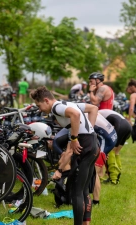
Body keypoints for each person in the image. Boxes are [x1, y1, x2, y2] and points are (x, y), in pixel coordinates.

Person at [31, 86, 99, 225]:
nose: (39, 109)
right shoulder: (68, 103)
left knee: (77, 192)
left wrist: (75, 138)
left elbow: (75, 114)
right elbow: (93, 109)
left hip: (85, 146)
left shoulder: (56, 107)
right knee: (84, 190)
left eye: (39, 105)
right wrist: (89, 131)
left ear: (46, 100)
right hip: (92, 143)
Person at [52, 112, 117, 206]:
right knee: (91, 169)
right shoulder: (75, 114)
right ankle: (94, 201)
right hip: (109, 135)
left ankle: (95, 201)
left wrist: (59, 170)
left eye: (58, 123)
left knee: (93, 171)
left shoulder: (72, 126)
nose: (60, 125)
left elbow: (69, 152)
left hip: (105, 140)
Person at [99, 109, 132, 184]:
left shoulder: (97, 113)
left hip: (120, 126)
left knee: (111, 152)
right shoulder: (103, 111)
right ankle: (117, 174)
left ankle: (113, 179)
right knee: (116, 152)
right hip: (127, 126)